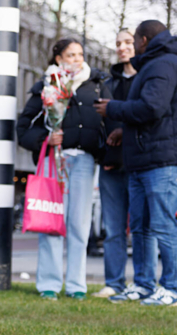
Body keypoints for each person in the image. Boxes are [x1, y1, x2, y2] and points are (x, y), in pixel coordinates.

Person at [18, 38, 110, 301]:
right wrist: (46, 139)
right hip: (52, 163)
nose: (77, 59)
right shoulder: (45, 86)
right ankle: (49, 284)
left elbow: (109, 121)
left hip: (83, 163)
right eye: (71, 55)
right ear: (58, 58)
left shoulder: (97, 84)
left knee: (79, 226)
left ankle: (76, 286)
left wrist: (102, 151)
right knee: (52, 223)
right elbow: (23, 128)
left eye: (80, 54)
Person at [96, 20, 177, 306]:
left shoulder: (163, 64)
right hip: (141, 159)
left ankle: (171, 287)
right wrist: (123, 131)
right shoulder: (152, 64)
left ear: (143, 39)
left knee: (163, 226)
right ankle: (143, 284)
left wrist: (113, 109)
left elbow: (153, 107)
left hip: (159, 161)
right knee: (141, 227)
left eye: (134, 40)